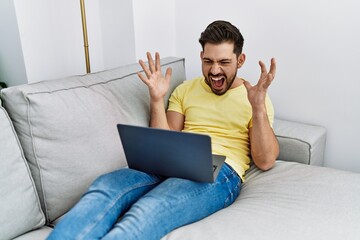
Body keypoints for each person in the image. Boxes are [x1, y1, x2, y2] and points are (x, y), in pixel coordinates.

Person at [47, 20, 279, 240]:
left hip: (219, 170)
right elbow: (164, 140)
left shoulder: (255, 96)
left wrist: (257, 108)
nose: (215, 70)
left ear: (240, 60)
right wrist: (156, 99)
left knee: (149, 208)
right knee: (105, 187)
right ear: (201, 57)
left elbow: (266, 160)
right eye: (208, 61)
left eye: (224, 62)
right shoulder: (186, 90)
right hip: (173, 160)